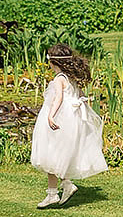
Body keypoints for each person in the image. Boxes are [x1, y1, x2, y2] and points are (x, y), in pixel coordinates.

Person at [31, 43, 108, 208]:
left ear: (53, 63)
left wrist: (51, 115)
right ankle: (65, 184)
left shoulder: (59, 79)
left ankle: (53, 193)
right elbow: (80, 95)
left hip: (59, 118)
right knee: (58, 154)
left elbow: (58, 98)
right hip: (71, 119)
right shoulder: (71, 78)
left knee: (49, 153)